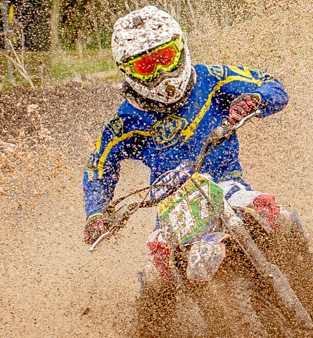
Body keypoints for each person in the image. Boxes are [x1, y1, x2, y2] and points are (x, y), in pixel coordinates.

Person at [83, 5, 289, 285]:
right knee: (155, 276)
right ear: (128, 72)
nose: (161, 74)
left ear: (181, 48)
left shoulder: (212, 78)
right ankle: (157, 316)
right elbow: (98, 165)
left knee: (277, 217)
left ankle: (312, 285)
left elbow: (271, 84)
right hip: (172, 211)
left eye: (165, 58)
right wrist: (96, 213)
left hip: (228, 186)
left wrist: (255, 99)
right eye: (146, 67)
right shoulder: (127, 119)